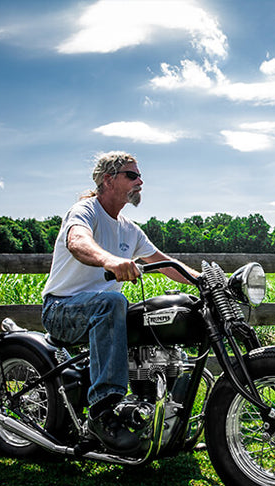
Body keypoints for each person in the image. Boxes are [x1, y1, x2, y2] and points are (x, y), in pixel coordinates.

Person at [41, 151, 199, 453]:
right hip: (61, 308)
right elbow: (78, 241)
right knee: (113, 301)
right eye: (131, 175)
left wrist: (205, 280)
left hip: (99, 310)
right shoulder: (85, 210)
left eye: (139, 175)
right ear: (108, 179)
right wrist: (111, 261)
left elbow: (166, 264)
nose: (140, 181)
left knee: (151, 314)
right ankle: (103, 412)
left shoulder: (129, 229)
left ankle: (156, 405)